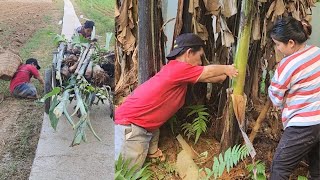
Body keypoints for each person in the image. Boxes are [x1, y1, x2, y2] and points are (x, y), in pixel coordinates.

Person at [114, 33, 239, 169]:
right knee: (126, 172)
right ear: (189, 53)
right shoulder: (178, 68)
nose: (200, 62)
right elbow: (208, 72)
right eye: (200, 57)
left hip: (143, 126)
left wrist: (227, 75)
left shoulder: (177, 71)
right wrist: (228, 69)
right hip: (131, 127)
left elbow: (211, 78)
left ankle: (152, 152)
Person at [268, 16, 320, 179]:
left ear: (291, 42)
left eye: (277, 44)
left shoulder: (286, 65)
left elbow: (275, 99)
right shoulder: (317, 52)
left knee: (279, 169)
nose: (277, 48)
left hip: (302, 126)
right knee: (317, 170)